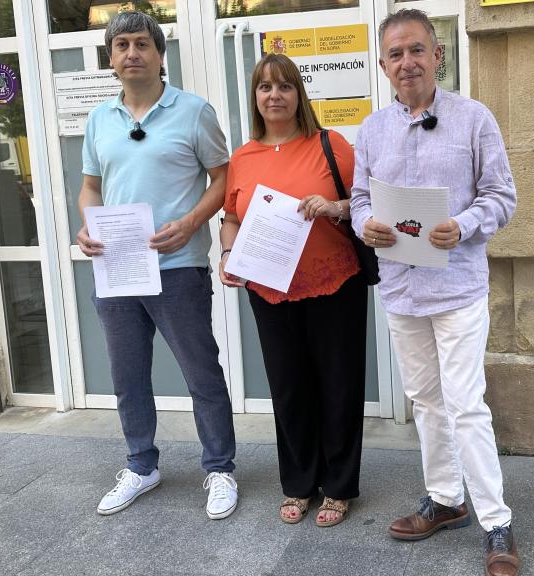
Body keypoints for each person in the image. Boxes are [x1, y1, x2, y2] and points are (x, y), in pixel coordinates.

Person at [349, 9, 519, 576]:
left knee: (466, 404)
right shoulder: (371, 129)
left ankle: (496, 522)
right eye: (395, 54)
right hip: (401, 287)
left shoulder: (474, 119)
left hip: (458, 287)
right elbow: (358, 199)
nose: (407, 63)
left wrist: (464, 224)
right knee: (425, 401)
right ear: (382, 65)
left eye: (416, 50)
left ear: (437, 55)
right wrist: (364, 223)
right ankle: (446, 499)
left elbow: (501, 196)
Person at [76, 11, 238, 520]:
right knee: (128, 377)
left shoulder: (192, 111)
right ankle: (141, 465)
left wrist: (191, 223)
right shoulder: (101, 118)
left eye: (141, 44)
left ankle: (220, 469)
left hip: (178, 266)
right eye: (121, 45)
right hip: (118, 268)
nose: (131, 53)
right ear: (111, 58)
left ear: (159, 54)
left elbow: (224, 177)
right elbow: (91, 187)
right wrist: (88, 227)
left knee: (201, 373)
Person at [218, 53, 367, 527]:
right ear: (255, 97)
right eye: (265, 87)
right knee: (289, 387)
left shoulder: (331, 145)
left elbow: (365, 203)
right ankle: (299, 483)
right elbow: (232, 217)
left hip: (334, 282)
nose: (275, 95)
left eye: (284, 86)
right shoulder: (242, 158)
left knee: (339, 385)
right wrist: (226, 254)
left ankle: (339, 487)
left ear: (298, 94)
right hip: (268, 289)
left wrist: (333, 206)